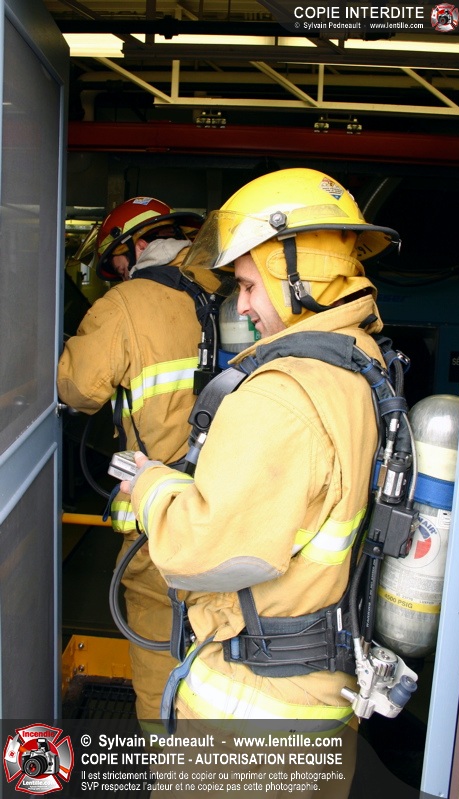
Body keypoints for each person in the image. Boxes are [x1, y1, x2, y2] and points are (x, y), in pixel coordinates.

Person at [119, 169, 401, 797]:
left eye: (249, 285)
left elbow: (200, 552)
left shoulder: (282, 396)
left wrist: (152, 486)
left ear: (296, 273)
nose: (242, 306)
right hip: (318, 696)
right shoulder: (362, 363)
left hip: (247, 719)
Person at [57, 196, 217, 730]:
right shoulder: (231, 289)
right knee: (225, 652)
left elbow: (78, 389)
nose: (120, 274)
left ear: (138, 244)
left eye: (118, 262)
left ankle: (169, 760)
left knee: (158, 659)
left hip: (161, 521)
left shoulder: (126, 303)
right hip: (233, 513)